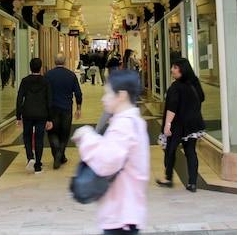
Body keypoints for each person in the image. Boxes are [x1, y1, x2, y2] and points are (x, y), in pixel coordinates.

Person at [72, 69, 149, 235]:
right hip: (124, 211)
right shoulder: (131, 122)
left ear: (121, 95)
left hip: (121, 215)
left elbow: (107, 161)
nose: (103, 98)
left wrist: (87, 136)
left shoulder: (125, 125)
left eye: (107, 93)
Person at [156, 57, 205, 192]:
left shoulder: (175, 87)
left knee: (170, 150)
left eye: (175, 68)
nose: (172, 70)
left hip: (178, 124)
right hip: (193, 123)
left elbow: (172, 107)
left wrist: (167, 124)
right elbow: (201, 98)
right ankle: (192, 183)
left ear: (182, 70)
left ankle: (168, 178)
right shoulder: (195, 83)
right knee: (190, 152)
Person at [44, 53, 83, 169]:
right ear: (65, 62)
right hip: (66, 108)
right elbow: (78, 93)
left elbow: (44, 93)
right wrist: (78, 108)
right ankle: (60, 153)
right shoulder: (71, 75)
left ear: (54, 62)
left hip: (52, 109)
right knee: (64, 133)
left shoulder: (47, 75)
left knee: (52, 132)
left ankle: (57, 152)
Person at [16, 58, 53, 174]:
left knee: (27, 136)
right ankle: (38, 165)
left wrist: (18, 116)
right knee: (39, 138)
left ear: (30, 67)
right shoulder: (45, 82)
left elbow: (19, 99)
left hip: (27, 113)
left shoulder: (25, 81)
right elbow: (49, 100)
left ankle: (30, 157)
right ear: (40, 67)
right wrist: (50, 118)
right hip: (41, 113)